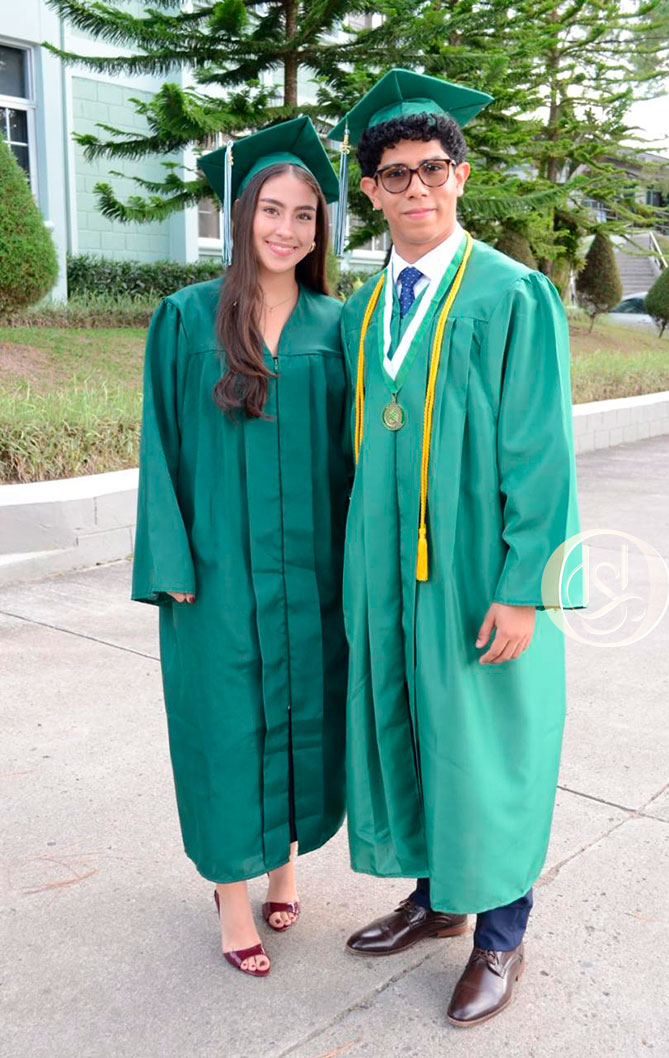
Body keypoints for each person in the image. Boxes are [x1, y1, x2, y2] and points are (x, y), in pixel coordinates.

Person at [328, 69, 583, 1025]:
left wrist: (526, 588)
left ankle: (502, 934)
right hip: (389, 572)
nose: (417, 188)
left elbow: (542, 453)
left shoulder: (513, 295)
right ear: (372, 191)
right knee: (413, 729)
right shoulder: (363, 312)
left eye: (433, 168)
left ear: (461, 175)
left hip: (479, 572)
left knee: (488, 746)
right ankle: (437, 900)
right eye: (395, 175)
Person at [131, 117, 350, 978]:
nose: (286, 230)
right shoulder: (187, 317)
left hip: (311, 574)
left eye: (305, 214)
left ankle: (285, 867)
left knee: (303, 717)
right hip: (216, 573)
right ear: (239, 214)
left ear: (321, 229)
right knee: (225, 729)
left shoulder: (339, 324)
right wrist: (170, 563)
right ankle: (231, 895)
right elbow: (159, 444)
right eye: (271, 210)